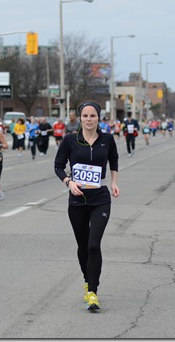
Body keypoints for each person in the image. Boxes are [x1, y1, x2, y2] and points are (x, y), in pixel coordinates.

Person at [54, 101, 120, 311]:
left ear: (99, 118)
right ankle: (86, 279)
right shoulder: (70, 140)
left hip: (100, 197)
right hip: (77, 200)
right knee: (83, 246)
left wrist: (114, 182)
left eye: (93, 116)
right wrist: (69, 182)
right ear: (80, 118)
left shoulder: (107, 140)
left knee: (94, 244)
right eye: (85, 116)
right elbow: (58, 166)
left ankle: (93, 291)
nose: (89, 119)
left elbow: (114, 160)